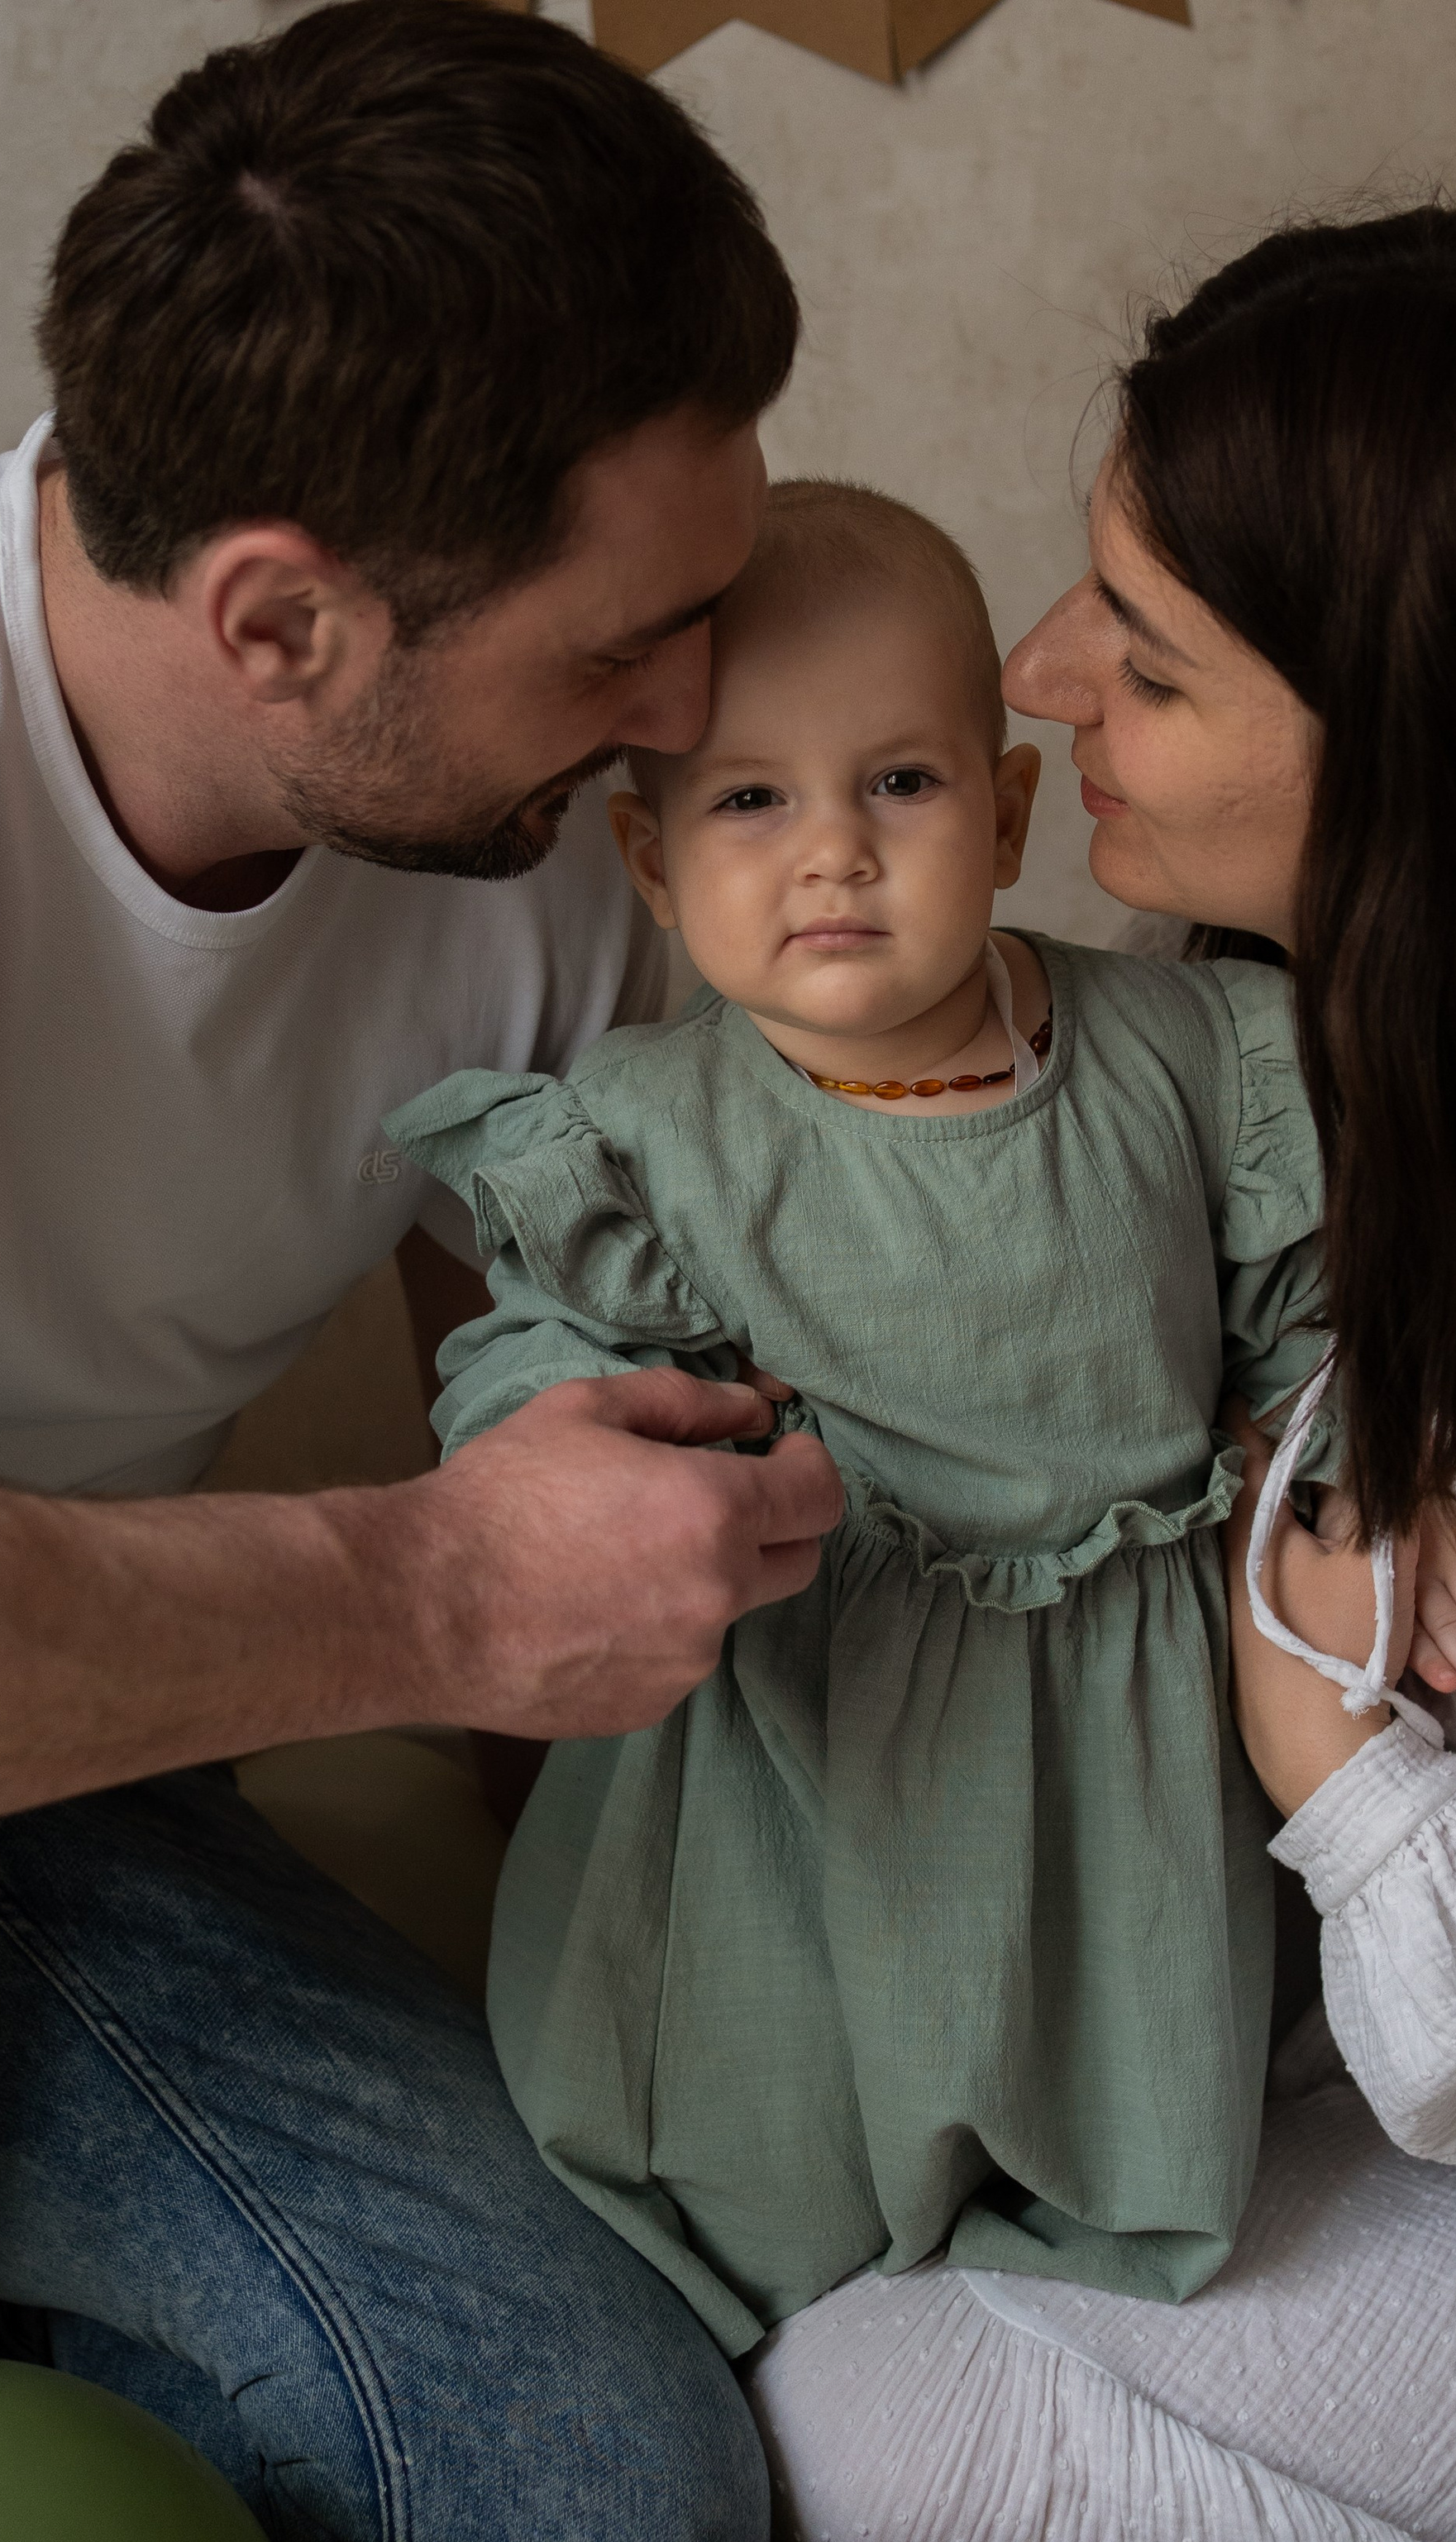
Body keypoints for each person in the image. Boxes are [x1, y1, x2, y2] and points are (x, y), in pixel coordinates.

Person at [0, 0, 843, 2542]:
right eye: (618, 651)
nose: (694, 713)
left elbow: (587, 1458)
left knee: (607, 2479)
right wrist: (434, 1592)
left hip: (36, 1771)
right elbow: (483, 1579)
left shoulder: (539, 854)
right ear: (280, 624)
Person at [747, 210, 1456, 2542]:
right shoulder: (1405, 1047)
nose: (1042, 681)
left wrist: (1342, 1777)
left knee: (881, 2420)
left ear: (1433, 757)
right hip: (1436, 2105)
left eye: (1141, 663)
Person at [387, 478, 1334, 2355]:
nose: (829, 852)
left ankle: (1054, 2294)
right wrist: (562, 1438)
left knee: (1130, 2094)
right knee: (753, 2111)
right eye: (750, 800)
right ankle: (771, 2280)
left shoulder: (1188, 1064)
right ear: (652, 868)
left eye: (895, 785)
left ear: (1002, 816)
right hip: (794, 1723)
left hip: (1117, 1739)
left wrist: (1357, 1469)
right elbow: (542, 1352)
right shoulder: (641, 1136)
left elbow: (1302, 1333)